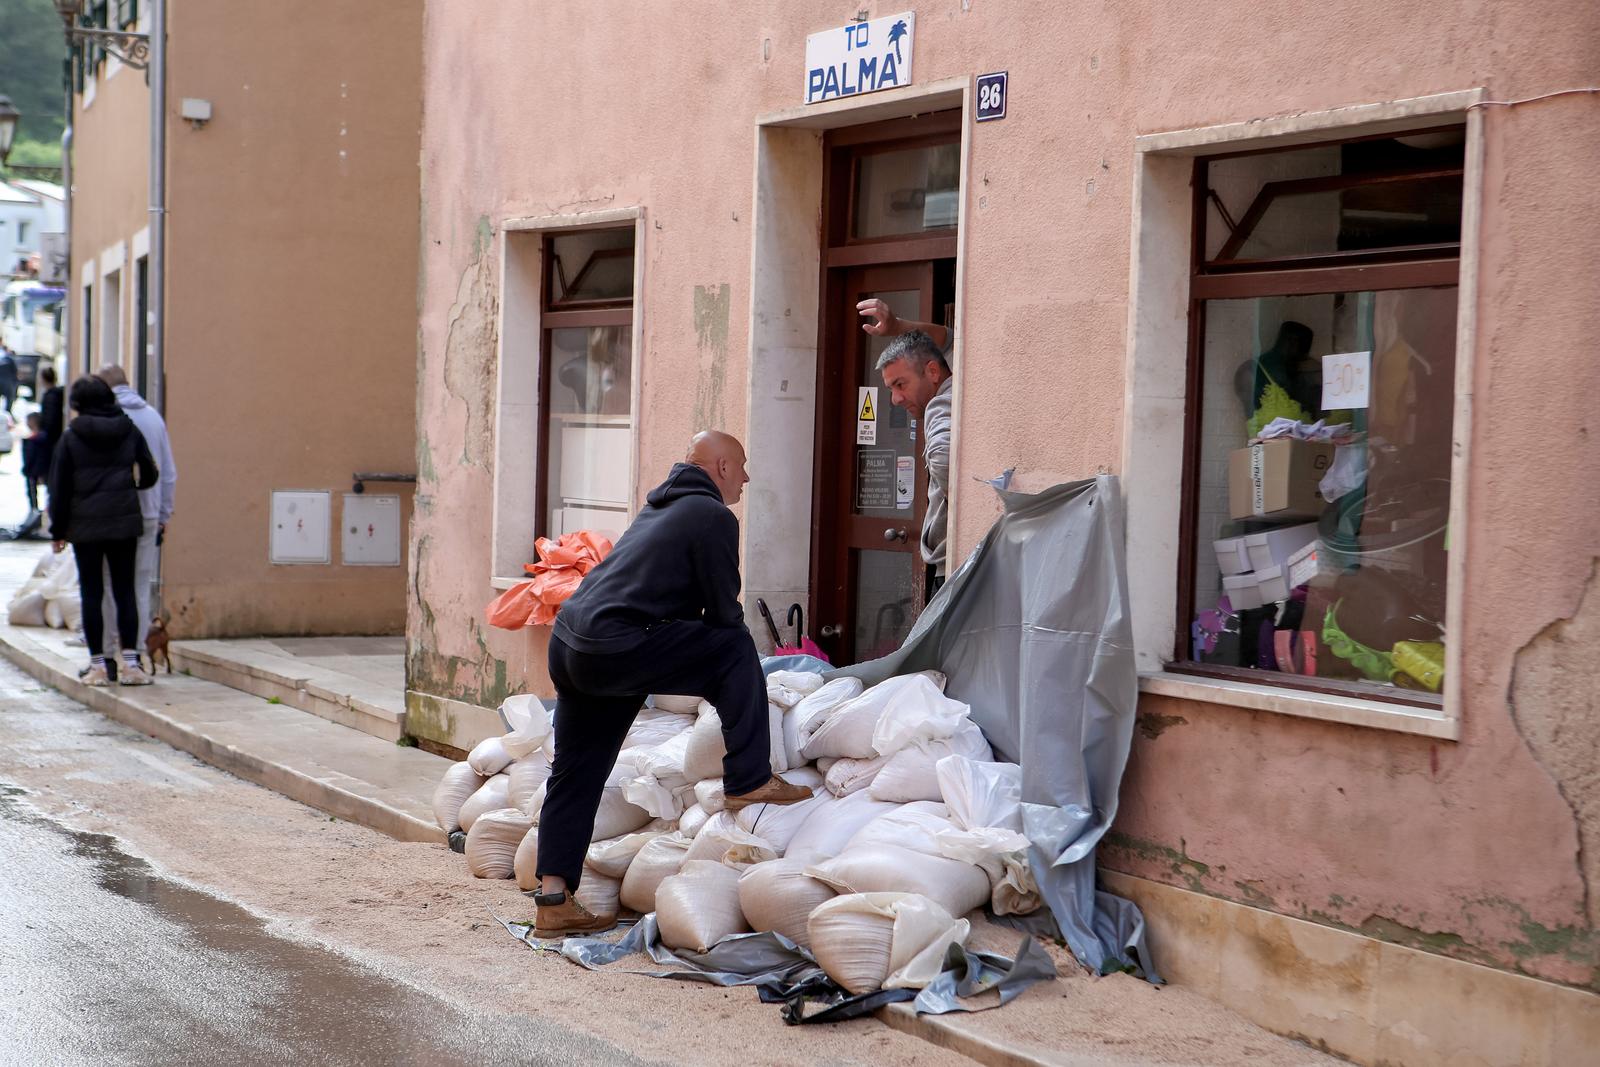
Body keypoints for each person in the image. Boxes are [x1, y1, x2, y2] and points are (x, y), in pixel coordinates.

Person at [532, 431, 812, 937]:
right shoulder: (712, 517)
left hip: (573, 643)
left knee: (577, 771)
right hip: (615, 647)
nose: (746, 479)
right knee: (734, 646)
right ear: (722, 467)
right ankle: (748, 777)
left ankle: (553, 898)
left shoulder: (660, 508)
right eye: (743, 466)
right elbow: (724, 614)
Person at [47, 376, 159, 687]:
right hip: (124, 522)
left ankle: (98, 666)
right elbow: (149, 471)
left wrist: (57, 531)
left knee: (92, 593)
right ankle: (132, 665)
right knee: (125, 592)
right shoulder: (128, 429)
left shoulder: (70, 438)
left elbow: (60, 488)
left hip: (85, 526)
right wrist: (130, 488)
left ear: (78, 405)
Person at [858, 299, 954, 595]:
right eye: (891, 389)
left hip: (952, 569)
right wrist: (897, 327)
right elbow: (948, 338)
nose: (896, 399)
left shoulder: (941, 403)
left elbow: (943, 457)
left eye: (901, 384)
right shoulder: (959, 370)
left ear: (933, 372)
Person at [94, 365, 177, 655]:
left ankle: (108, 652)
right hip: (149, 512)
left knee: (107, 585)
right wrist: (165, 513)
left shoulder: (102, 418)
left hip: (111, 514)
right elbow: (167, 472)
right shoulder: (153, 418)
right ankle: (136, 654)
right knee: (139, 585)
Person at [21, 411, 47, 512]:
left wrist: (26, 469)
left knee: (32, 491)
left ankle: (34, 510)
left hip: (33, 470)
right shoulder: (42, 438)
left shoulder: (33, 440)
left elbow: (30, 457)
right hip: (38, 468)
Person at [37, 365, 65, 449]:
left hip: (51, 436)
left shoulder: (51, 396)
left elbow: (51, 416)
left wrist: (45, 431)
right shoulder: (55, 394)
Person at [0, 345, 16, 414]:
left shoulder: (3, 358)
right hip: (7, 382)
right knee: (9, 398)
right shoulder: (10, 359)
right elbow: (15, 371)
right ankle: (8, 413)